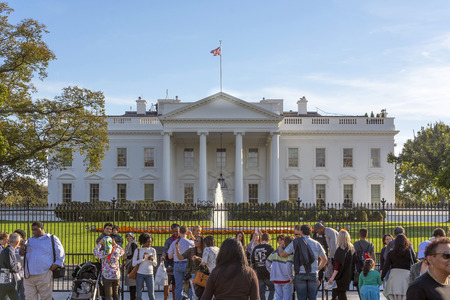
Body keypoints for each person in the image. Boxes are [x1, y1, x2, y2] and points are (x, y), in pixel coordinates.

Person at [278, 224, 327, 300]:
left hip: (300, 273)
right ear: (310, 232)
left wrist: (280, 247)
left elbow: (283, 254)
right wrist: (317, 269)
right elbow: (324, 259)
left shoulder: (295, 242)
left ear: (301, 231)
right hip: (313, 273)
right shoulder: (316, 243)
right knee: (312, 297)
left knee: (301, 297)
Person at [20, 221, 65, 300]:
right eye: (32, 230)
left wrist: (56, 264)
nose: (34, 232)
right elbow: (22, 254)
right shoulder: (30, 240)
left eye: (36, 230)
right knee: (29, 297)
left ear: (42, 229)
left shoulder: (52, 238)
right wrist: (21, 247)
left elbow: (60, 253)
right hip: (29, 275)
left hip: (44, 273)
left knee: (45, 297)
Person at [381, 234, 417, 300]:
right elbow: (414, 262)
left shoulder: (391, 253)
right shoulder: (408, 252)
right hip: (405, 276)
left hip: (394, 276)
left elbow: (386, 266)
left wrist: (382, 277)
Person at [327, 230, 356, 300]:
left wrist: (332, 277)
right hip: (348, 276)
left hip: (339, 277)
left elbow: (337, 266)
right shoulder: (352, 250)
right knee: (342, 294)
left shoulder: (340, 250)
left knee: (336, 295)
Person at [93, 236, 125, 300]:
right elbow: (122, 251)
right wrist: (115, 244)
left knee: (108, 295)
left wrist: (100, 244)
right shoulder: (116, 251)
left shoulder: (104, 252)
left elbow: (95, 252)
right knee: (115, 293)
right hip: (116, 275)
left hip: (107, 275)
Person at [168, 225, 194, 300]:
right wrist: (191, 236)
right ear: (187, 232)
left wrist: (176, 255)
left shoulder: (174, 243)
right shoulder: (191, 242)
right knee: (189, 285)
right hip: (187, 264)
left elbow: (169, 256)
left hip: (177, 264)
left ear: (179, 233)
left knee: (178, 286)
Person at [175, 235, 205, 300]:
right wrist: (177, 248)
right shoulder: (191, 251)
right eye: (195, 240)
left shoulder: (205, 251)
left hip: (203, 275)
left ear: (202, 242)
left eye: (197, 240)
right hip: (193, 274)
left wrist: (198, 258)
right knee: (194, 294)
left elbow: (207, 261)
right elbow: (180, 258)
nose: (195, 241)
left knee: (203, 293)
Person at [266, 235, 294, 300]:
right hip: (287, 278)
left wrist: (272, 271)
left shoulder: (275, 252)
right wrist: (291, 277)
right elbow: (289, 266)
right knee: (287, 296)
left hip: (276, 278)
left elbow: (267, 263)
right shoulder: (290, 254)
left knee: (278, 297)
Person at [133, 233, 157, 300]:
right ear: (143, 241)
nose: (149, 243)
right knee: (138, 294)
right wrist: (142, 259)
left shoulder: (152, 250)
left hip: (150, 274)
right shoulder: (138, 250)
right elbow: (133, 264)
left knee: (151, 294)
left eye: (150, 242)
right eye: (147, 242)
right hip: (140, 274)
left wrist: (151, 260)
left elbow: (155, 264)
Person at [252, 232, 275, 300]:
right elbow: (273, 260)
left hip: (258, 272)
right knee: (272, 288)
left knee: (261, 291)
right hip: (268, 272)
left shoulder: (256, 248)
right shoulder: (269, 247)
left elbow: (253, 261)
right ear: (268, 240)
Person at [0, 233, 21, 300]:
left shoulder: (8, 250)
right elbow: (11, 266)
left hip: (6, 281)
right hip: (8, 281)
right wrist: (18, 268)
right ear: (17, 242)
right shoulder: (9, 250)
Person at [162, 223, 180, 300]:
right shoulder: (169, 240)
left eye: (177, 231)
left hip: (178, 265)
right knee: (167, 284)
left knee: (175, 286)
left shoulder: (182, 239)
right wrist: (163, 256)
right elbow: (165, 251)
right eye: (174, 231)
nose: (175, 233)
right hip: (169, 265)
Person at [124, 232, 138, 300]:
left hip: (131, 265)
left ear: (133, 237)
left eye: (130, 237)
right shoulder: (129, 244)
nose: (128, 238)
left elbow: (133, 254)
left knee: (132, 284)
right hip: (130, 264)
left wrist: (126, 257)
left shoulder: (133, 244)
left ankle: (133, 298)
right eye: (127, 237)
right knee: (132, 285)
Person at [13, 229, 26, 300]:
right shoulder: (12, 247)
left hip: (23, 274)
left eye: (17, 236)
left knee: (23, 294)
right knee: (14, 293)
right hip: (14, 274)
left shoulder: (25, 247)